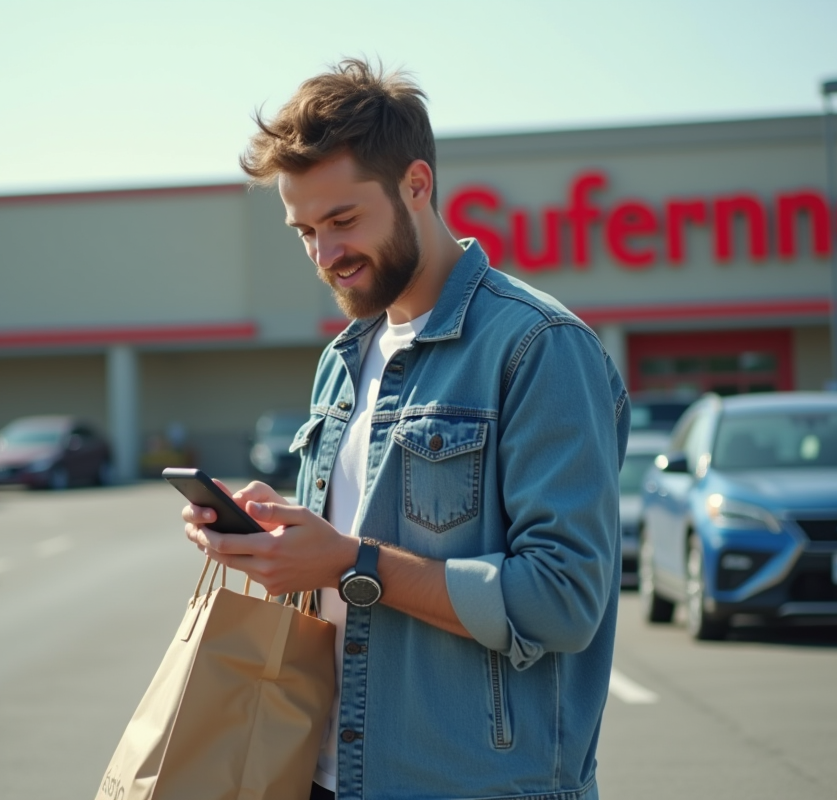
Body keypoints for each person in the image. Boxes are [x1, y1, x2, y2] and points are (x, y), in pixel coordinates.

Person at [182, 58, 629, 800]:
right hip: (326, 775)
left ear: (417, 186)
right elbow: (333, 575)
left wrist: (353, 562)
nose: (325, 255)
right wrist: (272, 546)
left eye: (344, 221)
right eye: (305, 231)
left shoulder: (538, 347)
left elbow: (563, 600)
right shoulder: (343, 361)